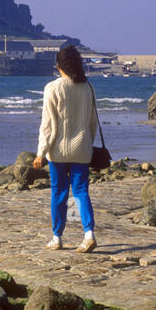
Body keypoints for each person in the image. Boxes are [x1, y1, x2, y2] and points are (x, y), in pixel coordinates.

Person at [32, 44, 100, 252]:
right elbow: (93, 121)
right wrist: (88, 141)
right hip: (82, 149)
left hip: (57, 151)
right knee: (81, 192)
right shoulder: (88, 88)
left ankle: (57, 237)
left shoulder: (52, 88)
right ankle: (88, 234)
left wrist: (40, 152)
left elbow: (47, 124)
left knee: (59, 193)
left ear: (58, 65)